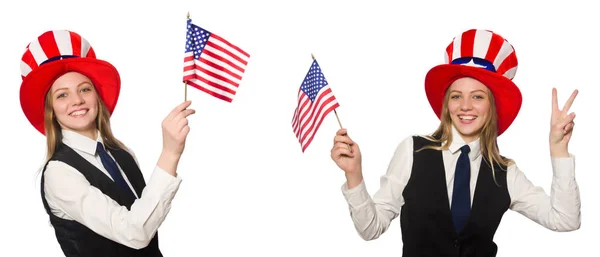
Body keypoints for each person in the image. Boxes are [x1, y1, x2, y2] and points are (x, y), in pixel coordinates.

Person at [330, 29, 581, 256]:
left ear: (491, 108)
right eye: (457, 96)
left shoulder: (505, 173)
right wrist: (354, 175)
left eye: (478, 97)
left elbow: (565, 220)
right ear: (447, 105)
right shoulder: (412, 151)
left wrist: (559, 150)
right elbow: (370, 228)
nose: (465, 106)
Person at [19, 30, 195, 256]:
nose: (77, 100)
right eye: (62, 95)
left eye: (84, 89)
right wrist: (170, 154)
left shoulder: (122, 153)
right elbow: (135, 232)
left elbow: (148, 221)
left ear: (96, 96)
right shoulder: (59, 173)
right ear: (50, 110)